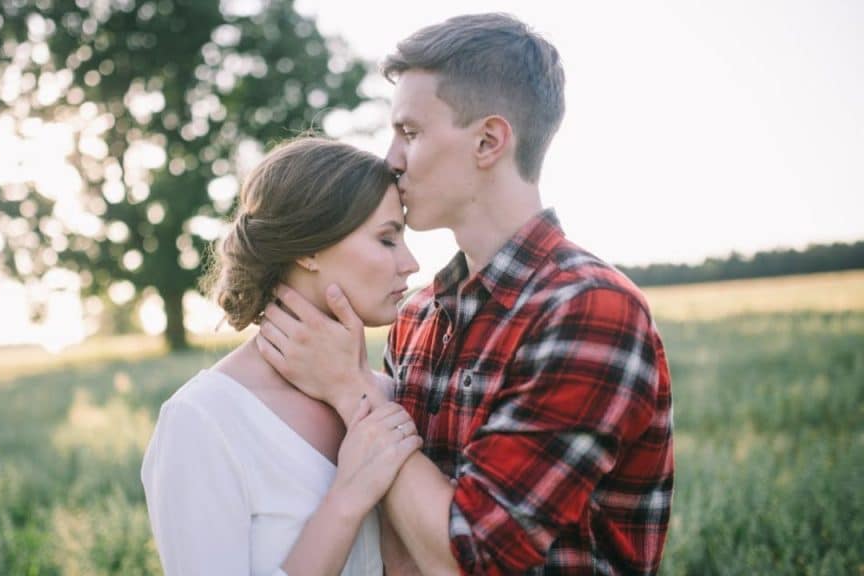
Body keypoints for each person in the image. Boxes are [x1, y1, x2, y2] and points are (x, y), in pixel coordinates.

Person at [257, 13, 675, 575]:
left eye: (410, 133)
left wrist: (351, 387)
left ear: (488, 141)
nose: (391, 160)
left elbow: (477, 559)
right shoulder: (418, 316)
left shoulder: (589, 309)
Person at [141, 137, 423, 575]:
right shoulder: (204, 419)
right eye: (387, 240)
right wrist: (346, 498)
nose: (411, 263)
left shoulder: (390, 394)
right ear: (309, 249)